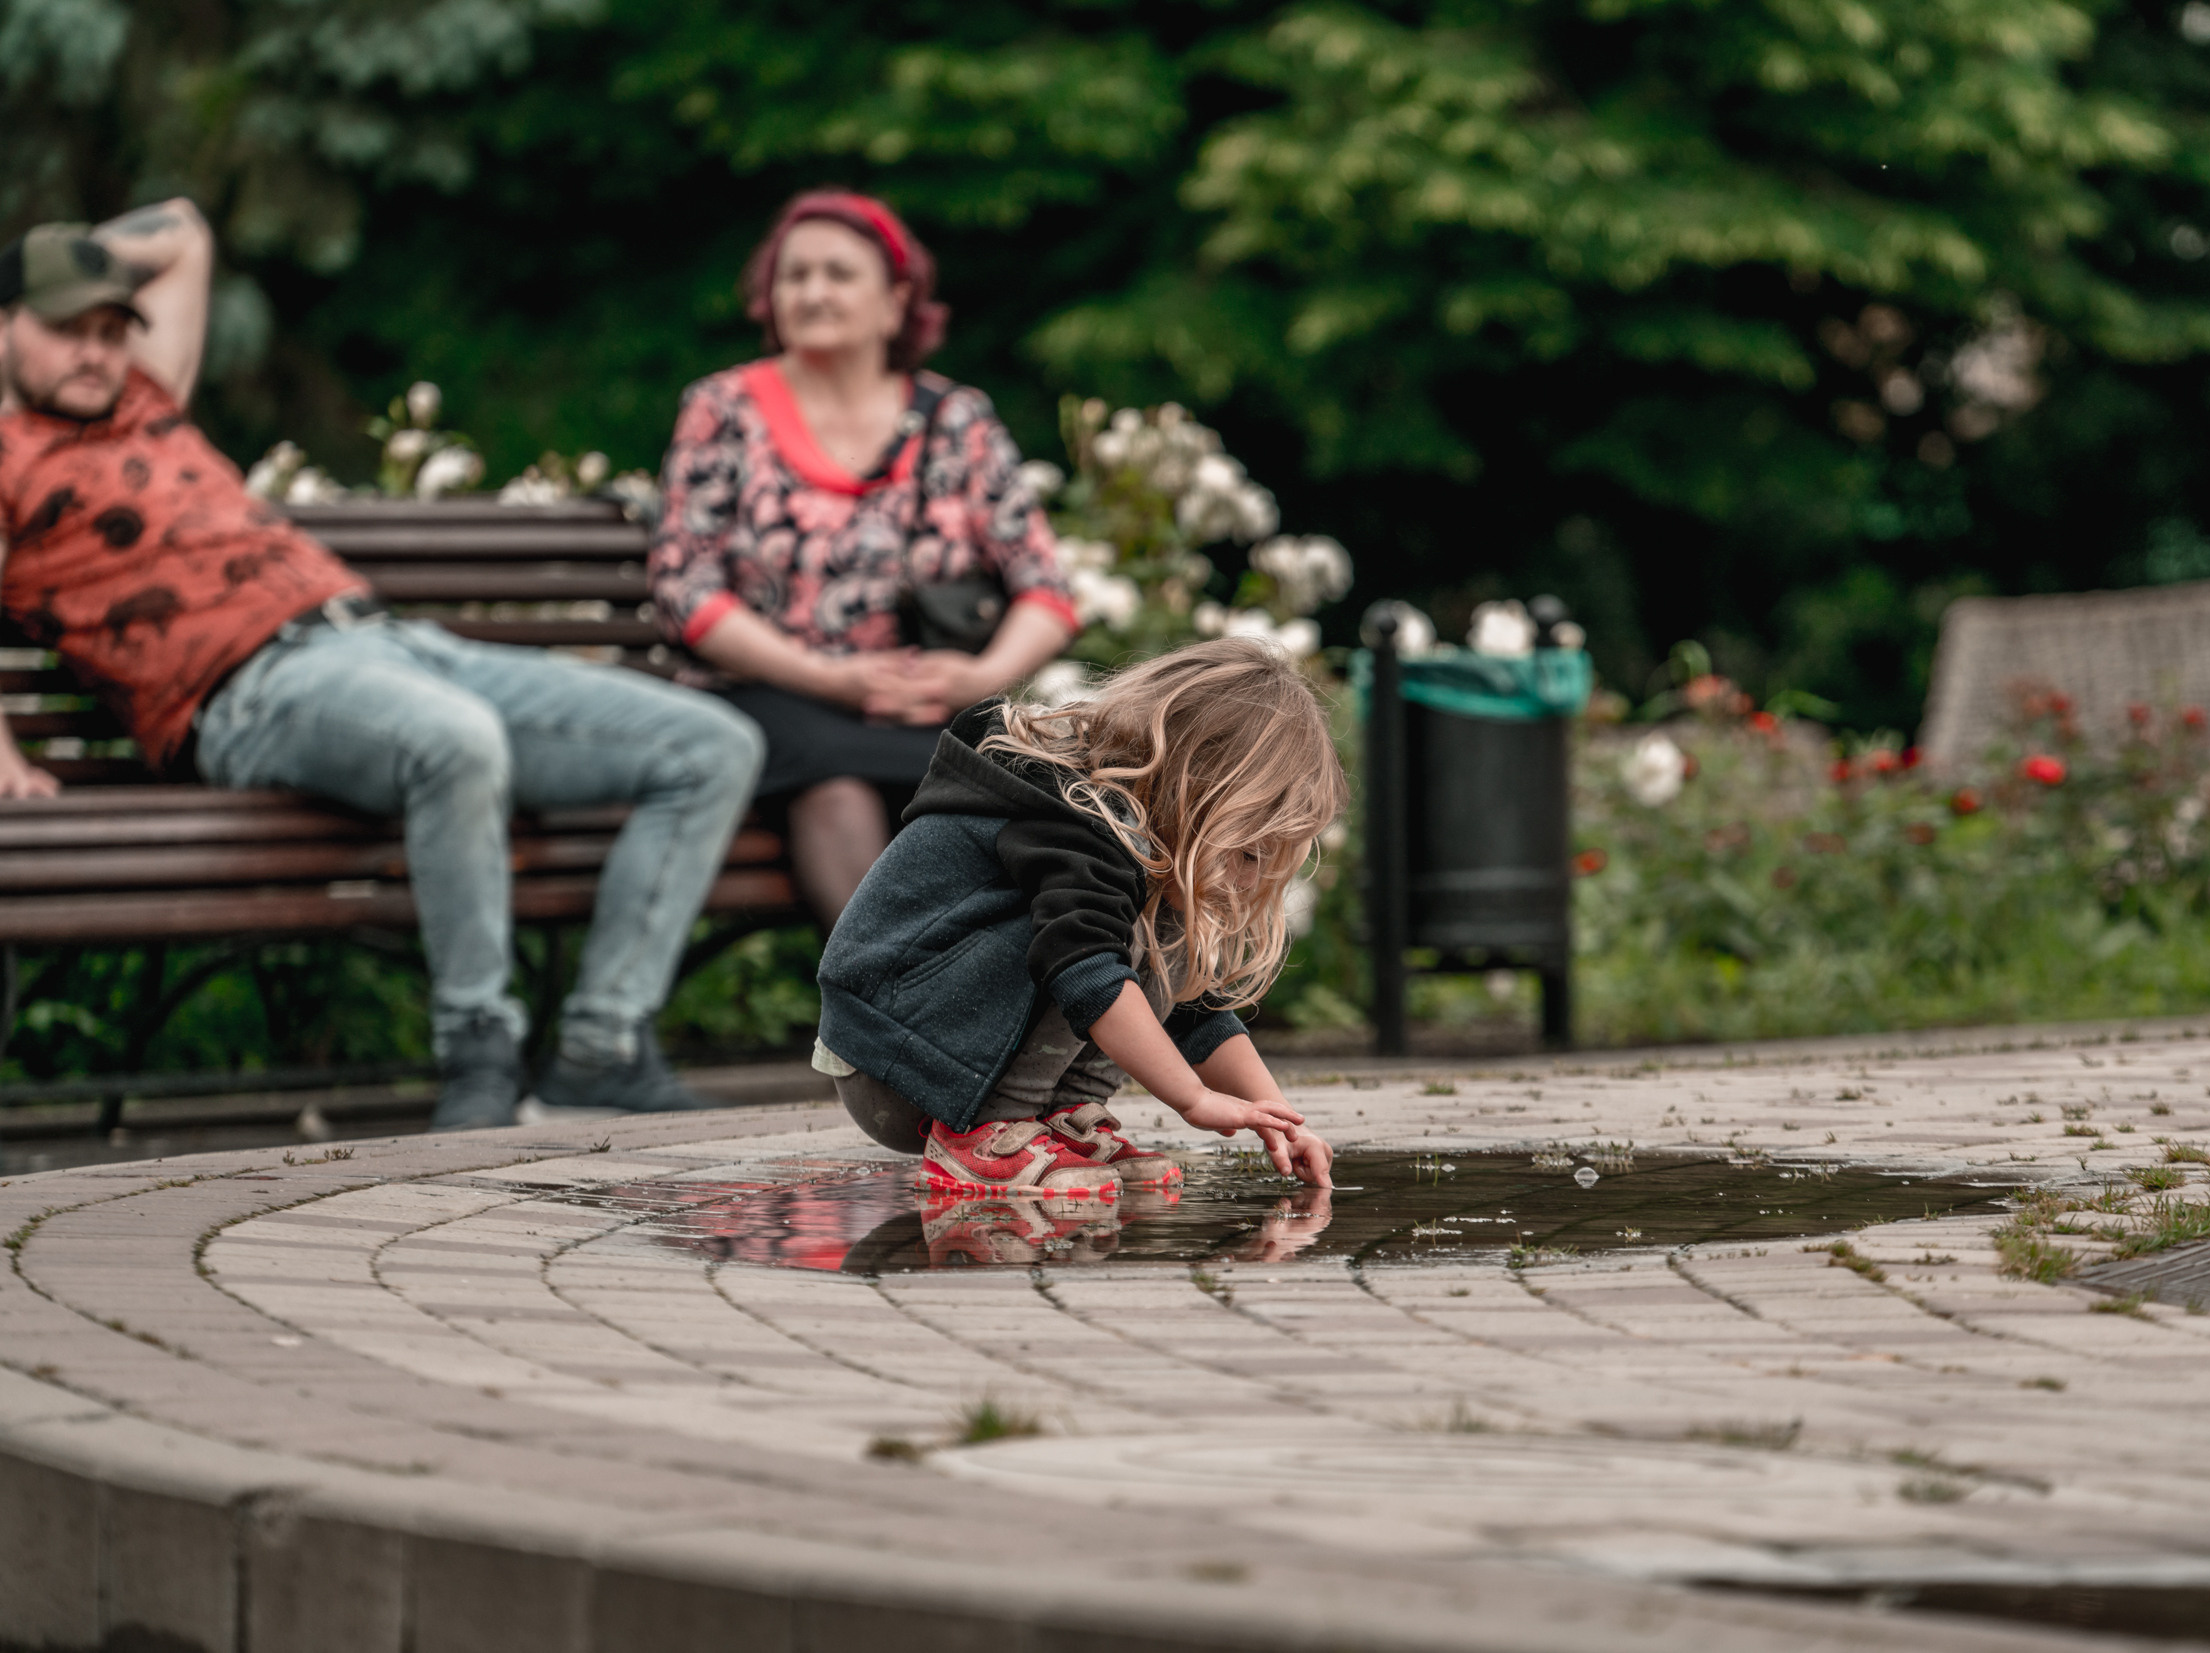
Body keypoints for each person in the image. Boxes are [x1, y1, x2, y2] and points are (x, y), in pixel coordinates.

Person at [0, 202, 765, 1131]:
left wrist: (72, 265)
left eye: (110, 329)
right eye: (64, 327)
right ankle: (477, 1048)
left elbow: (188, 234)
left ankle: (599, 1047)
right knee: (455, 741)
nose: (95, 352)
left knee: (710, 746)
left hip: (388, 644)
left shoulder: (147, 396)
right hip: (244, 693)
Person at [648, 189, 1078, 931]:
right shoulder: (724, 409)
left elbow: (1044, 588)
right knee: (834, 782)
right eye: (794, 275)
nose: (812, 292)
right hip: (772, 692)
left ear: (895, 301)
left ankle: (1044, 1010)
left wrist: (977, 677)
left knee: (1018, 792)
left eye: (838, 274)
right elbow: (686, 590)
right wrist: (826, 678)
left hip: (925, 699)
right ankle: (904, 1014)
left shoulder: (956, 420)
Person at [812, 638, 1343, 1197]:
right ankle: (987, 1137)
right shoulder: (1075, 822)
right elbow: (1085, 968)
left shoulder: (1138, 854)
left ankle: (1057, 1122)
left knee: (1161, 936)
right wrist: (1193, 1098)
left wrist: (1277, 1118)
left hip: (948, 1060)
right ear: (1196, 792)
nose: (1250, 884)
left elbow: (1188, 1011)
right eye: (1249, 856)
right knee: (1082, 951)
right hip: (893, 1064)